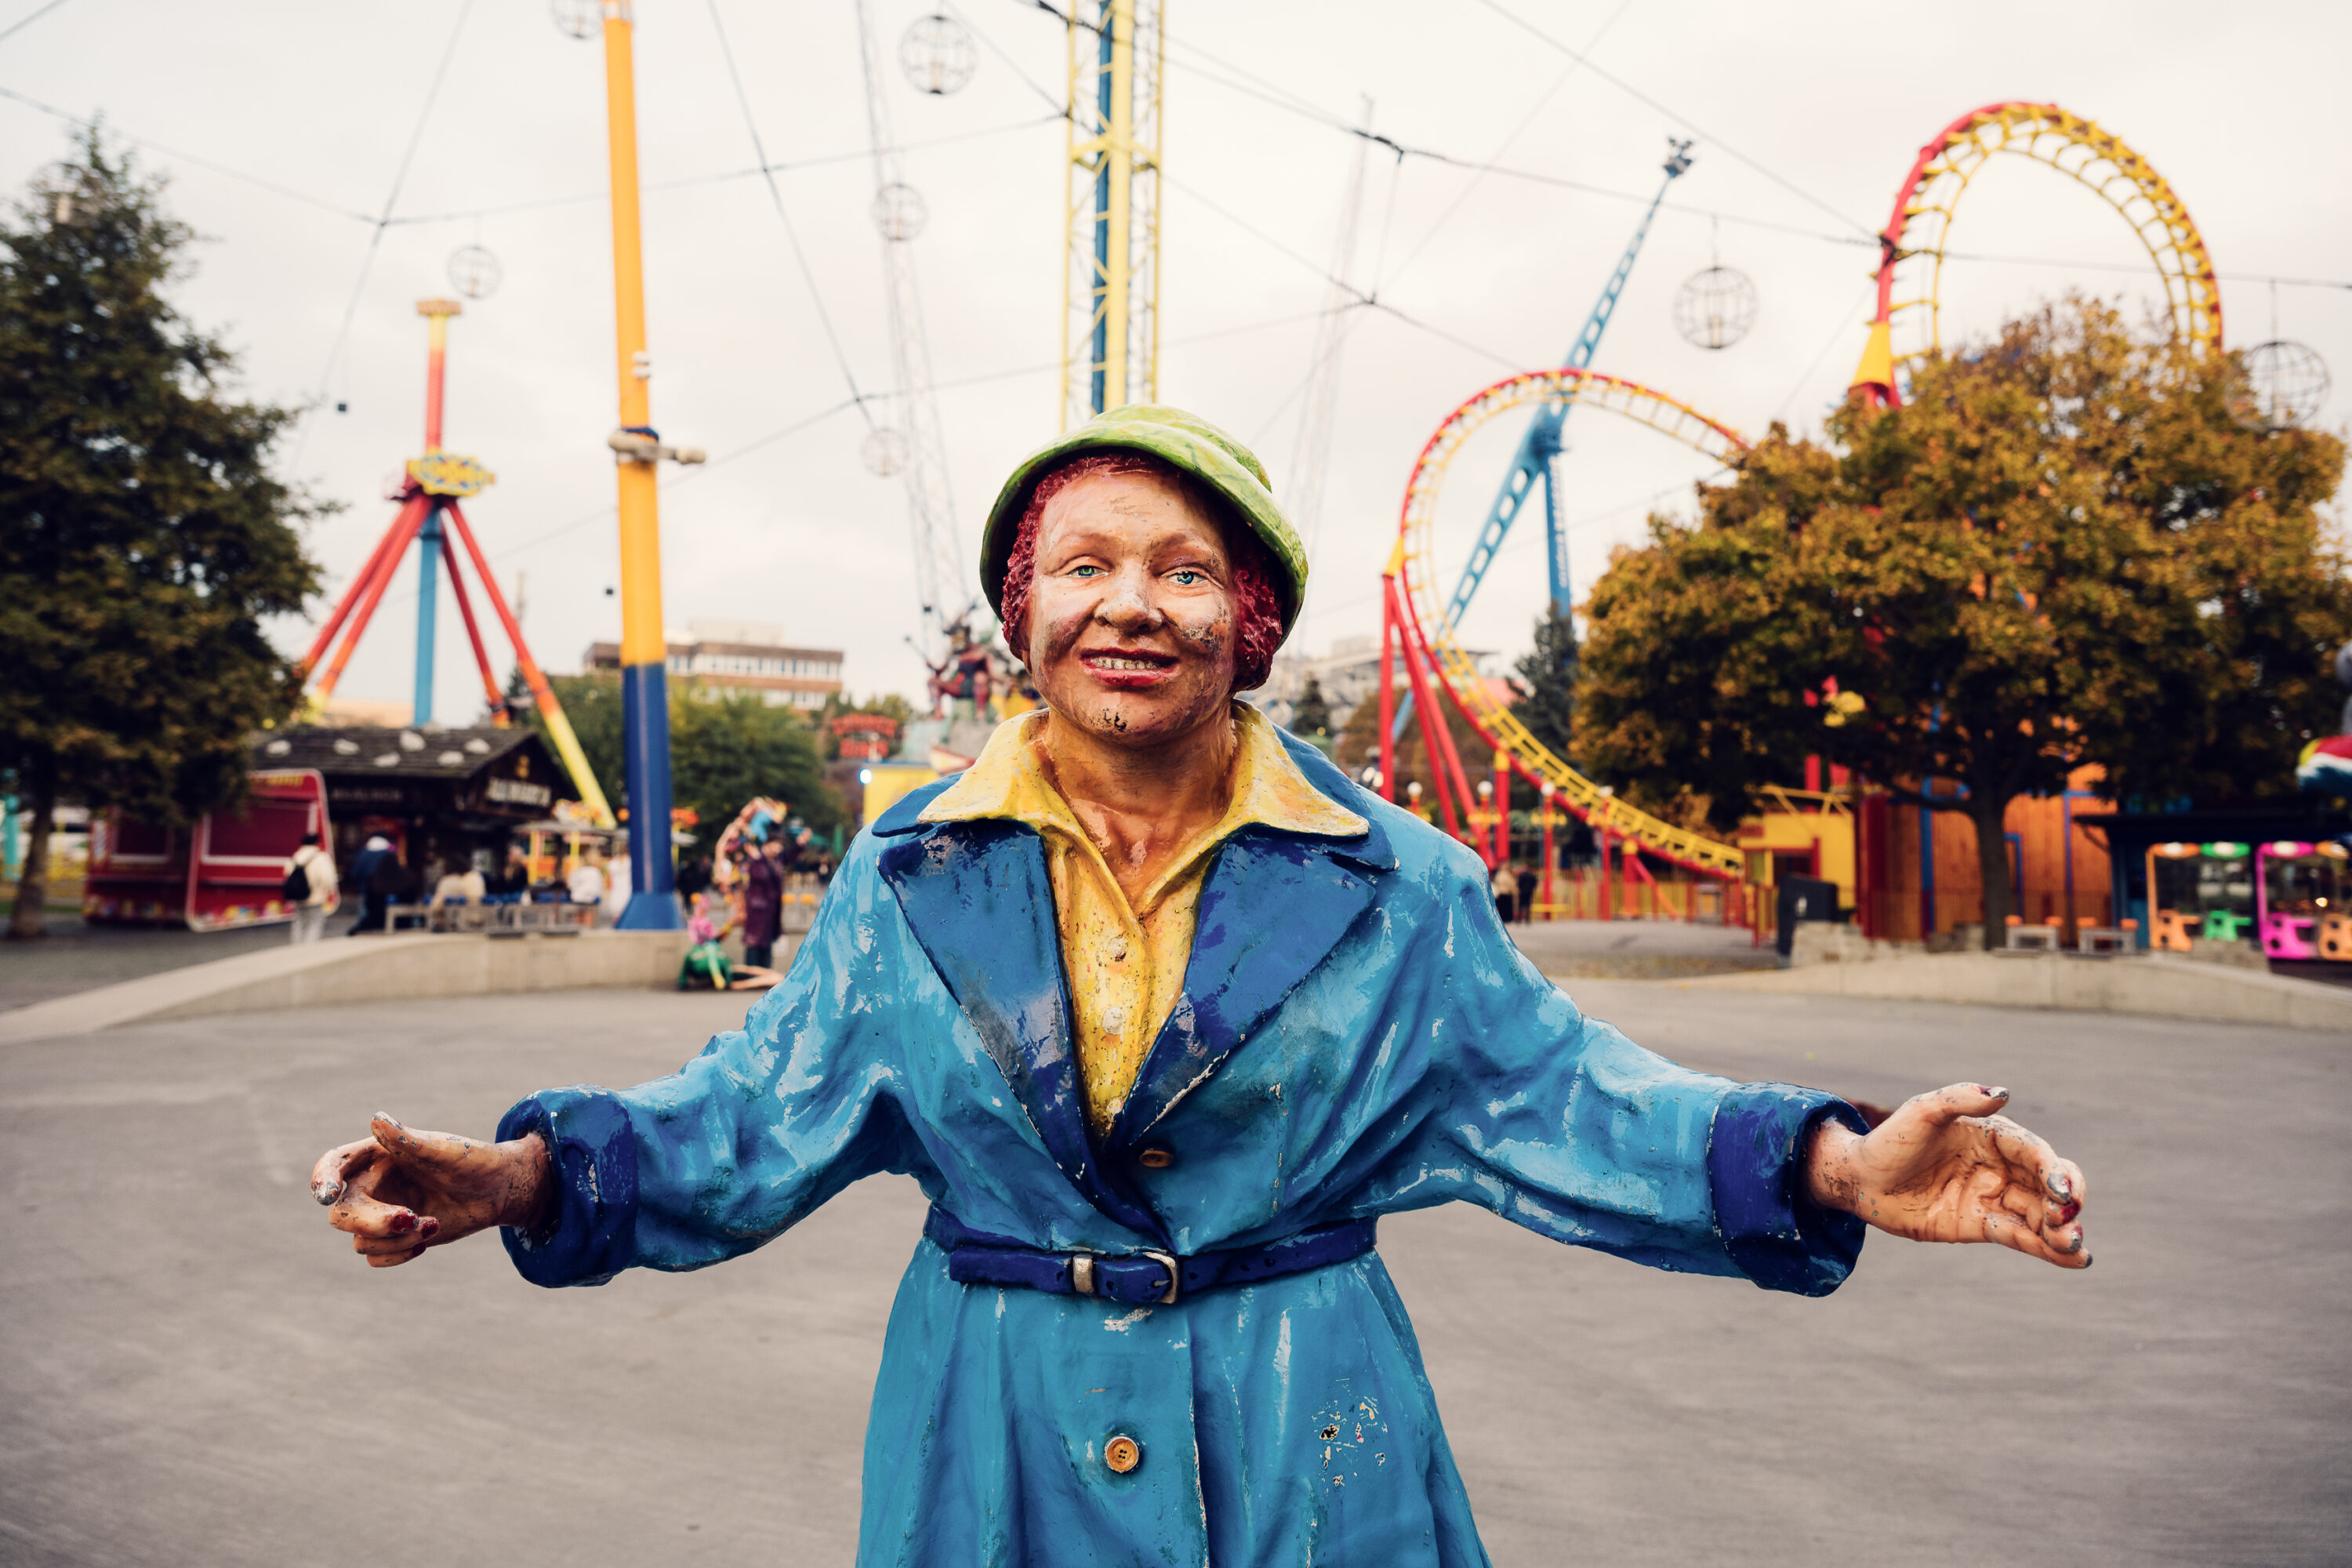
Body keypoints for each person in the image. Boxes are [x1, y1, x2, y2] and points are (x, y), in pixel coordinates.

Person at [314, 406, 2090, 1568]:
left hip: (1305, 1413)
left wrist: (1835, 1159)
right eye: (1083, 565)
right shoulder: (902, 874)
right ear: (1021, 609)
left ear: (1246, 616)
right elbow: (751, 1110)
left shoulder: (1396, 882)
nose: (1129, 605)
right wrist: (531, 1173)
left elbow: (1566, 1098)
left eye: (1180, 569)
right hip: (986, 1428)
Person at [282, 833, 337, 945]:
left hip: (297, 896)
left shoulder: (296, 857)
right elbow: (327, 879)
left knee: (299, 922)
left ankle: (296, 946)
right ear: (317, 843)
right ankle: (308, 948)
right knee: (314, 923)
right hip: (316, 896)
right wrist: (327, 891)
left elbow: (287, 874)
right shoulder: (321, 858)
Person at [741, 835, 785, 971]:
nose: (779, 850)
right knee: (755, 943)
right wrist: (760, 858)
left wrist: (800, 844)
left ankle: (764, 972)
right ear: (768, 844)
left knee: (767, 942)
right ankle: (753, 973)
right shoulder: (758, 860)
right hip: (758, 909)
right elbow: (761, 876)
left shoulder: (774, 860)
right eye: (777, 846)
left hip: (770, 909)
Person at [343, 833, 390, 935]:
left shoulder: (364, 853)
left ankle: (362, 934)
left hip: (365, 889)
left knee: (364, 913)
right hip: (383, 892)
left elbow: (355, 873)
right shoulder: (387, 853)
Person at [1490, 858, 1516, 923]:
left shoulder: (1499, 874)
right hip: (1506, 892)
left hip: (1502, 892)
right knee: (1506, 907)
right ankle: (1507, 919)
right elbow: (1511, 883)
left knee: (1503, 907)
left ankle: (1504, 918)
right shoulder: (1507, 874)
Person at [1515, 859, 1538, 924]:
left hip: (1522, 892)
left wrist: (1519, 889)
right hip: (1529, 892)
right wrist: (1533, 889)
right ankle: (1528, 919)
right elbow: (1535, 883)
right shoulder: (1531, 875)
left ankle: (1519, 919)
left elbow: (1518, 884)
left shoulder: (1521, 876)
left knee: (1521, 906)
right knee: (1528, 906)